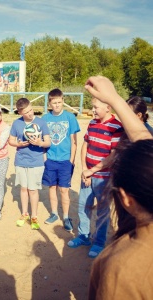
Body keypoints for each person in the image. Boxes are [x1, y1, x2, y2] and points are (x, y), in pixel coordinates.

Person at [83, 76, 153, 299]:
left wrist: (114, 99)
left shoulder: (123, 270)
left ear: (126, 199)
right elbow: (144, 142)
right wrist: (113, 98)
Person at [67, 96, 123, 258]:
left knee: (102, 211)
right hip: (88, 175)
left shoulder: (116, 127)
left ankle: (98, 242)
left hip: (104, 178)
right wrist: (85, 170)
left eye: (95, 107)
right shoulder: (92, 123)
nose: (93, 110)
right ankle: (83, 236)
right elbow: (85, 145)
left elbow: (112, 156)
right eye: (92, 107)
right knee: (83, 206)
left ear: (108, 108)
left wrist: (92, 171)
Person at [9, 98, 51, 230]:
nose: (30, 113)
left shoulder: (41, 122)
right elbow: (11, 141)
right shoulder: (17, 124)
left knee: (33, 190)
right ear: (20, 112)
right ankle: (24, 214)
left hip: (36, 161)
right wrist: (18, 144)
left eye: (31, 110)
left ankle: (34, 216)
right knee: (23, 189)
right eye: (26, 112)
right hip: (21, 160)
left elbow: (48, 142)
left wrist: (39, 143)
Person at [42, 88, 80, 231]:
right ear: (49, 103)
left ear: (63, 101)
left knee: (64, 190)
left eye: (59, 102)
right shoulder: (45, 119)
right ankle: (53, 213)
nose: (57, 105)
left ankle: (65, 216)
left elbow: (74, 141)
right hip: (50, 159)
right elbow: (43, 139)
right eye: (54, 103)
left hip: (65, 161)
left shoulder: (70, 118)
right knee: (52, 187)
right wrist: (45, 157)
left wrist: (71, 160)